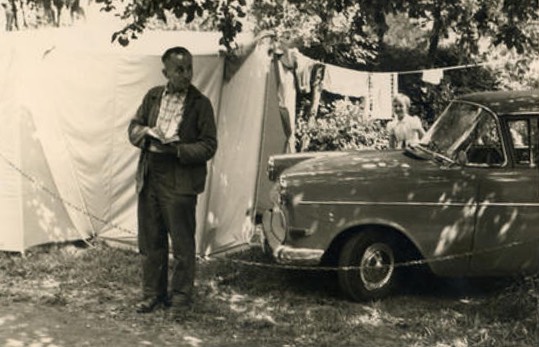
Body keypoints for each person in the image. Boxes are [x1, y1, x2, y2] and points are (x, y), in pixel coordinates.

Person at [127, 46, 217, 316]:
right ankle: (152, 295)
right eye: (179, 69)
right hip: (150, 176)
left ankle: (180, 299)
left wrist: (177, 149)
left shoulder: (201, 104)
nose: (186, 74)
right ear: (165, 71)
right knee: (151, 240)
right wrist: (147, 134)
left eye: (189, 68)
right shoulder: (153, 96)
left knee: (182, 244)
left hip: (180, 179)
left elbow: (209, 146)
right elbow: (133, 128)